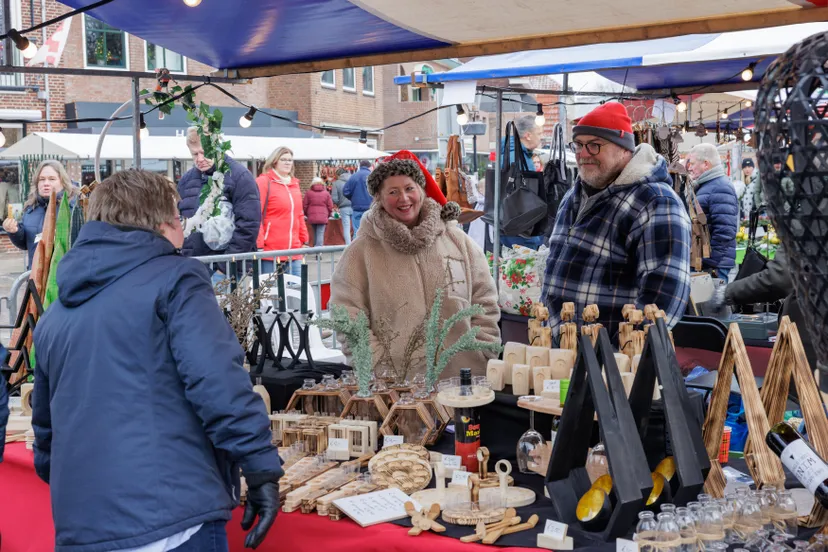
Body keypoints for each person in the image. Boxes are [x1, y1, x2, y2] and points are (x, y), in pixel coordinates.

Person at [31, 170, 281, 552]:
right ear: (166, 224)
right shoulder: (177, 279)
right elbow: (217, 382)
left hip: (83, 526)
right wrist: (260, 465)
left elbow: (46, 436)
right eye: (180, 221)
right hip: (170, 518)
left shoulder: (54, 316)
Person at [330, 153, 501, 379]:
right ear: (379, 198)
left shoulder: (457, 241)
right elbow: (346, 316)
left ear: (421, 189)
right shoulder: (361, 252)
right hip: (398, 391)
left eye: (409, 188)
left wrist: (481, 349)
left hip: (464, 382)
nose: (404, 198)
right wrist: (378, 366)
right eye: (393, 192)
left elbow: (484, 298)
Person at [542, 102, 691, 339]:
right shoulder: (574, 195)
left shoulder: (656, 201)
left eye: (594, 146)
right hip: (560, 352)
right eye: (579, 145)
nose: (583, 153)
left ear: (624, 150)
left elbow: (665, 298)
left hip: (610, 362)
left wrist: (620, 354)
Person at [711, 245, 817, 373]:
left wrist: (727, 293)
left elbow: (780, 278)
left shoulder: (804, 227)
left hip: (812, 336)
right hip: (813, 330)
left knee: (804, 388)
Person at [178, 127, 261, 262]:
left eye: (204, 153)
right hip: (194, 264)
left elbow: (248, 225)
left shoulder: (240, 176)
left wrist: (225, 266)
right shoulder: (186, 180)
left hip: (227, 267)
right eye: (194, 154)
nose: (200, 159)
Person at [2, 160, 75, 269]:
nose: (46, 183)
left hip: (65, 275)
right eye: (42, 179)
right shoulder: (30, 207)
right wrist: (14, 231)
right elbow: (25, 243)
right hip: (35, 276)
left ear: (62, 182)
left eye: (52, 179)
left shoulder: (73, 208)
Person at [687, 143, 739, 281]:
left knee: (711, 302)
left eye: (692, 163)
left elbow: (725, 231)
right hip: (705, 263)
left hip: (713, 267)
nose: (689, 167)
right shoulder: (707, 186)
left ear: (705, 164)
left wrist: (709, 262)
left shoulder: (720, 187)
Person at [256, 146, 308, 276]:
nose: (287, 163)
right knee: (271, 293)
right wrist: (260, 243)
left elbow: (299, 214)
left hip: (294, 251)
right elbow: (256, 214)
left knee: (298, 292)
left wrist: (304, 239)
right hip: (271, 251)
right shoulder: (264, 182)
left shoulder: (294, 184)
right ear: (275, 161)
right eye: (283, 159)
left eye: (290, 160)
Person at [500, 114, 545, 250]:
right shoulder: (519, 158)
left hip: (510, 223)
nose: (541, 136)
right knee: (524, 268)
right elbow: (524, 194)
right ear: (528, 135)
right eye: (539, 133)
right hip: (522, 227)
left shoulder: (512, 153)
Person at [343, 160, 373, 234]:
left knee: (357, 232)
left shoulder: (354, 176)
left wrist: (353, 198)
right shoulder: (372, 176)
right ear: (370, 167)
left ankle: (359, 245)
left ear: (360, 166)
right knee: (371, 232)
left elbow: (345, 191)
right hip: (370, 208)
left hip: (357, 208)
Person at [304, 176, 334, 247]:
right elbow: (330, 206)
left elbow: (305, 205)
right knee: (320, 233)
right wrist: (328, 214)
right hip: (323, 216)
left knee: (314, 233)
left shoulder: (308, 193)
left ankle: (315, 249)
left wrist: (307, 214)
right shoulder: (326, 193)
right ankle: (318, 252)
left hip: (312, 216)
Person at [331, 168, 353, 245]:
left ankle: (348, 247)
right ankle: (357, 247)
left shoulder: (336, 183)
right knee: (356, 227)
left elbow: (334, 198)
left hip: (343, 207)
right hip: (354, 206)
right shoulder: (353, 181)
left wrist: (338, 203)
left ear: (338, 175)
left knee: (346, 228)